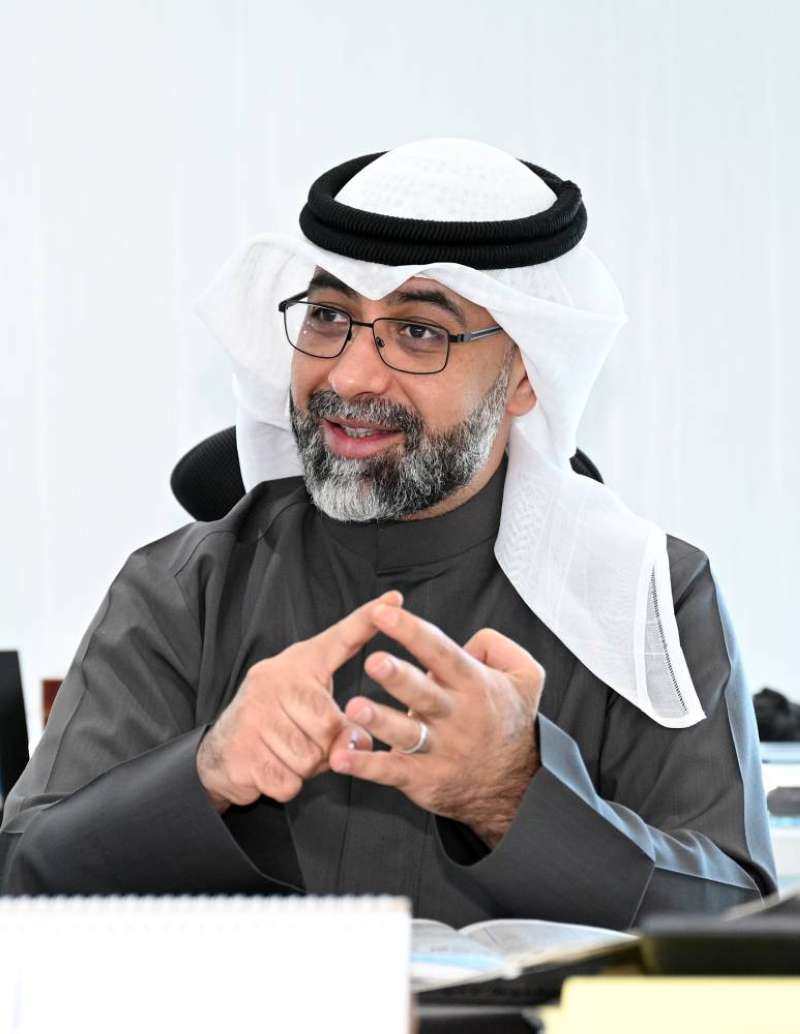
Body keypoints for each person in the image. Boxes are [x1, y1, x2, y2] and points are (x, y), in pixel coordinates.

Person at [0, 139, 776, 928]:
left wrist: (512, 792)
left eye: (418, 332)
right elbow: (23, 874)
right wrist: (205, 771)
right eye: (329, 317)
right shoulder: (185, 589)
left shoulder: (647, 600)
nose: (349, 376)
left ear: (524, 376)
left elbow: (738, 931)